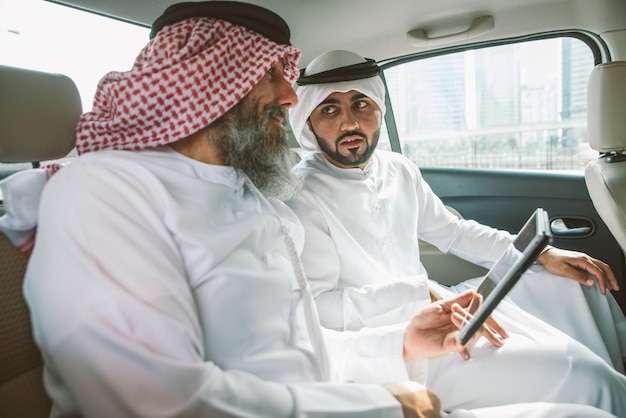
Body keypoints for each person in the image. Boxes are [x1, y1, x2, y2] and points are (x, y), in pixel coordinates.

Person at [18, 3, 608, 418]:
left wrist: (400, 342)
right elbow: (152, 402)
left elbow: (301, 349)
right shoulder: (106, 195)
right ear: (209, 84)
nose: (288, 96)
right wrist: (386, 403)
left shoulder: (247, 200)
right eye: (272, 77)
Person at [287, 49, 626, 414]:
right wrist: (418, 292)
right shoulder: (300, 195)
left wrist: (541, 253)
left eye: (360, 104)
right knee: (586, 375)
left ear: (379, 109)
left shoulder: (397, 168)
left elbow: (455, 233)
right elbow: (319, 308)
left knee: (575, 282)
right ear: (307, 122)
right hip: (402, 343)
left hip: (440, 304)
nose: (350, 123)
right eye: (330, 110)